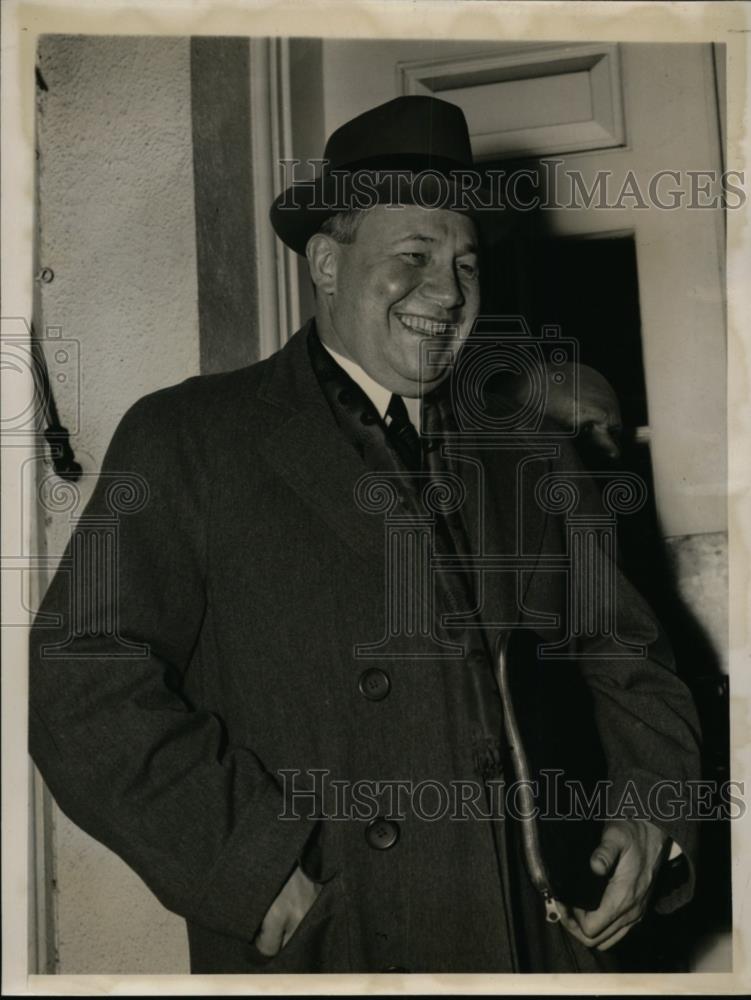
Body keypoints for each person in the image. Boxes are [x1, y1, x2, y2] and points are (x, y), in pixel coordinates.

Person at [29, 95, 701, 974]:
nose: (447, 293)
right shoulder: (192, 435)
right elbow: (80, 673)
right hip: (340, 941)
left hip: (538, 941)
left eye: (465, 263)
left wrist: (653, 816)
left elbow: (629, 663)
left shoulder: (531, 449)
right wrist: (252, 867)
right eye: (412, 258)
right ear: (326, 263)